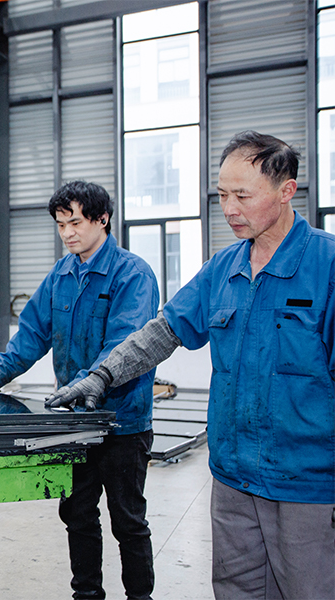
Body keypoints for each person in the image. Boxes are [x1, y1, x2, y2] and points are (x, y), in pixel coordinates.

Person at [49, 131, 335, 599]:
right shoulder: (223, 269)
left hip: (308, 486)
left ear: (286, 191)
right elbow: (163, 332)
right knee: (236, 590)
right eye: (222, 195)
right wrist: (102, 375)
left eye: (243, 195)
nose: (230, 208)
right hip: (233, 479)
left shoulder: (327, 266)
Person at [0, 180, 159, 600]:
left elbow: (126, 344)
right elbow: (33, 333)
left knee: (128, 521)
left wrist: (89, 381)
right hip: (74, 424)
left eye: (75, 223)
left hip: (122, 422)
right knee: (77, 514)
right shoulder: (61, 274)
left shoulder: (133, 275)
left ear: (102, 219)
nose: (67, 233)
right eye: (60, 225)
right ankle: (86, 595)